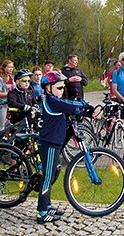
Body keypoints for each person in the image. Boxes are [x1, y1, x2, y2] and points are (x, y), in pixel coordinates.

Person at [36, 70, 89, 224]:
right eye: (59, 88)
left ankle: (48, 204)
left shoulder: (53, 100)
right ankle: (42, 212)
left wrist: (80, 109)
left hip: (53, 143)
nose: (62, 90)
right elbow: (69, 104)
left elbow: (69, 107)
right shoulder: (53, 101)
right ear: (48, 88)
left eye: (63, 87)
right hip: (50, 144)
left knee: (52, 174)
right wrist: (83, 104)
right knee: (47, 177)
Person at [0, 60, 15, 130]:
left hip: (10, 104)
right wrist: (10, 94)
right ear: (4, 68)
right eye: (9, 67)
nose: (11, 69)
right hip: (2, 104)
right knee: (1, 125)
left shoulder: (12, 78)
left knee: (10, 124)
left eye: (12, 67)